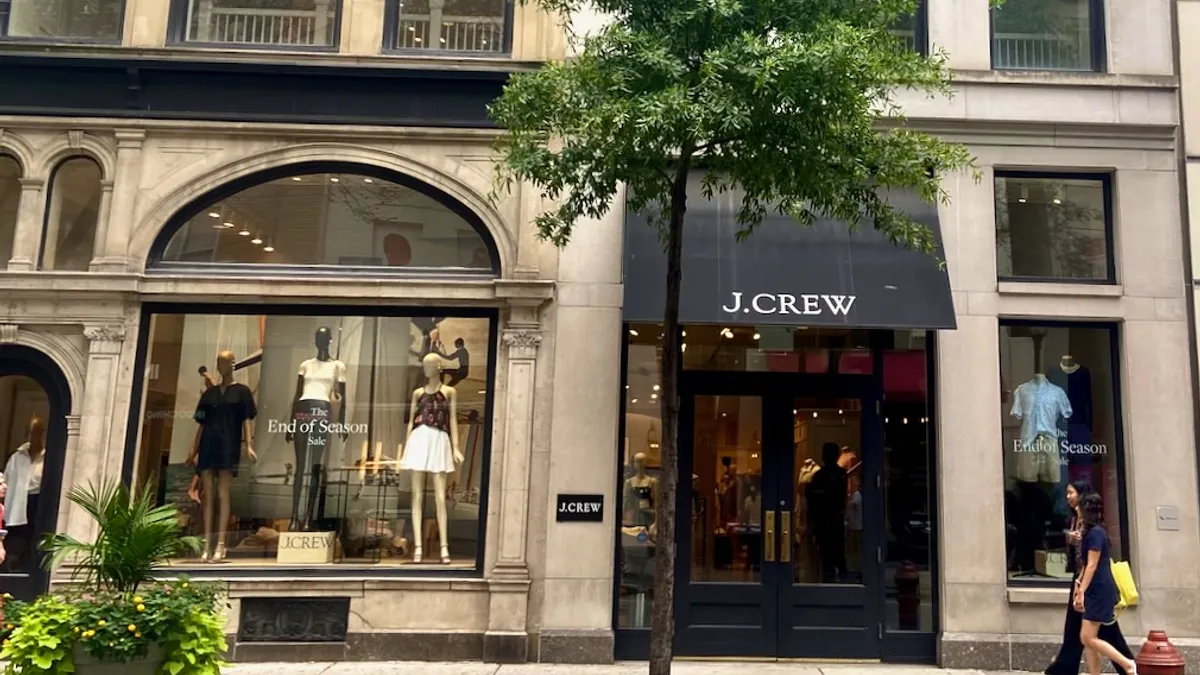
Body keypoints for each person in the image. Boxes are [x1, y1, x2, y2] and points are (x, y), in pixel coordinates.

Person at [1045, 481, 1133, 675]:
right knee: (1082, 632)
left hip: (1092, 583)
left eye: (1071, 493)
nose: (1068, 497)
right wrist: (1071, 540)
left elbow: (1091, 561)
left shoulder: (1093, 528)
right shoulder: (1074, 520)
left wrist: (1081, 588)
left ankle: (1128, 665)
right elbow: (1081, 557)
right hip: (1081, 579)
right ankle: (1072, 669)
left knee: (1096, 634)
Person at [1075, 493, 1137, 675]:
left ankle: (1128, 664)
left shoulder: (1095, 533)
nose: (1076, 510)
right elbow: (1087, 565)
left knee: (1086, 637)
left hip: (1099, 591)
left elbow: (1092, 565)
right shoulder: (1095, 532)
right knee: (1091, 638)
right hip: (1097, 589)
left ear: (1086, 509)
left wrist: (1081, 592)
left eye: (1079, 507)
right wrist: (1079, 583)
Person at [806, 442, 848, 582]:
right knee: (836, 555)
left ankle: (831, 581)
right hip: (833, 521)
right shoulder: (840, 474)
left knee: (827, 557)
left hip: (825, 521)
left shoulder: (820, 476)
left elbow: (813, 499)